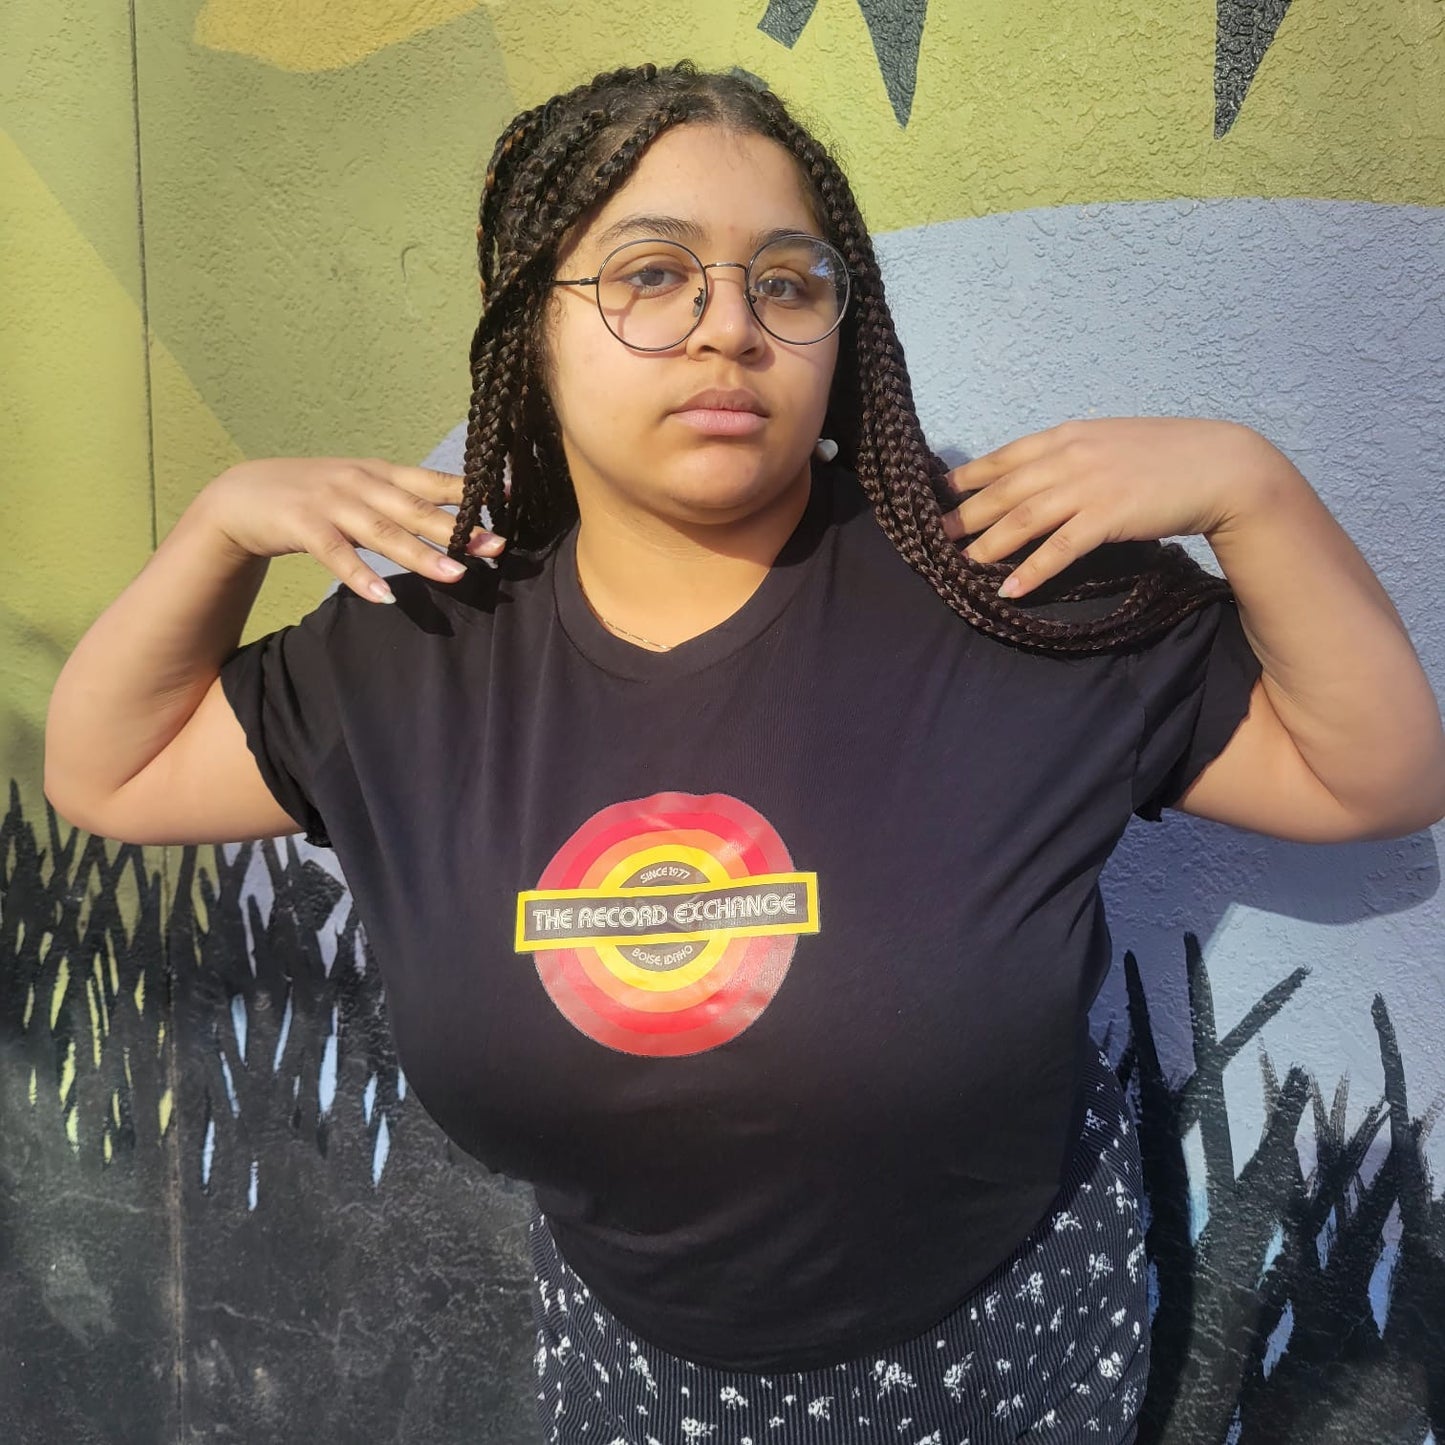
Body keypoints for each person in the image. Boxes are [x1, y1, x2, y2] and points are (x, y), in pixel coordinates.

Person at [44, 60, 1445, 1445]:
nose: (728, 328)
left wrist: (1250, 489)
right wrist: (221, 524)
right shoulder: (417, 646)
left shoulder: (1005, 592)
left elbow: (1370, 774)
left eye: (785, 281)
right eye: (650, 274)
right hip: (633, 1375)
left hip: (1014, 1353)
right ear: (532, 323)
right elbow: (111, 771)